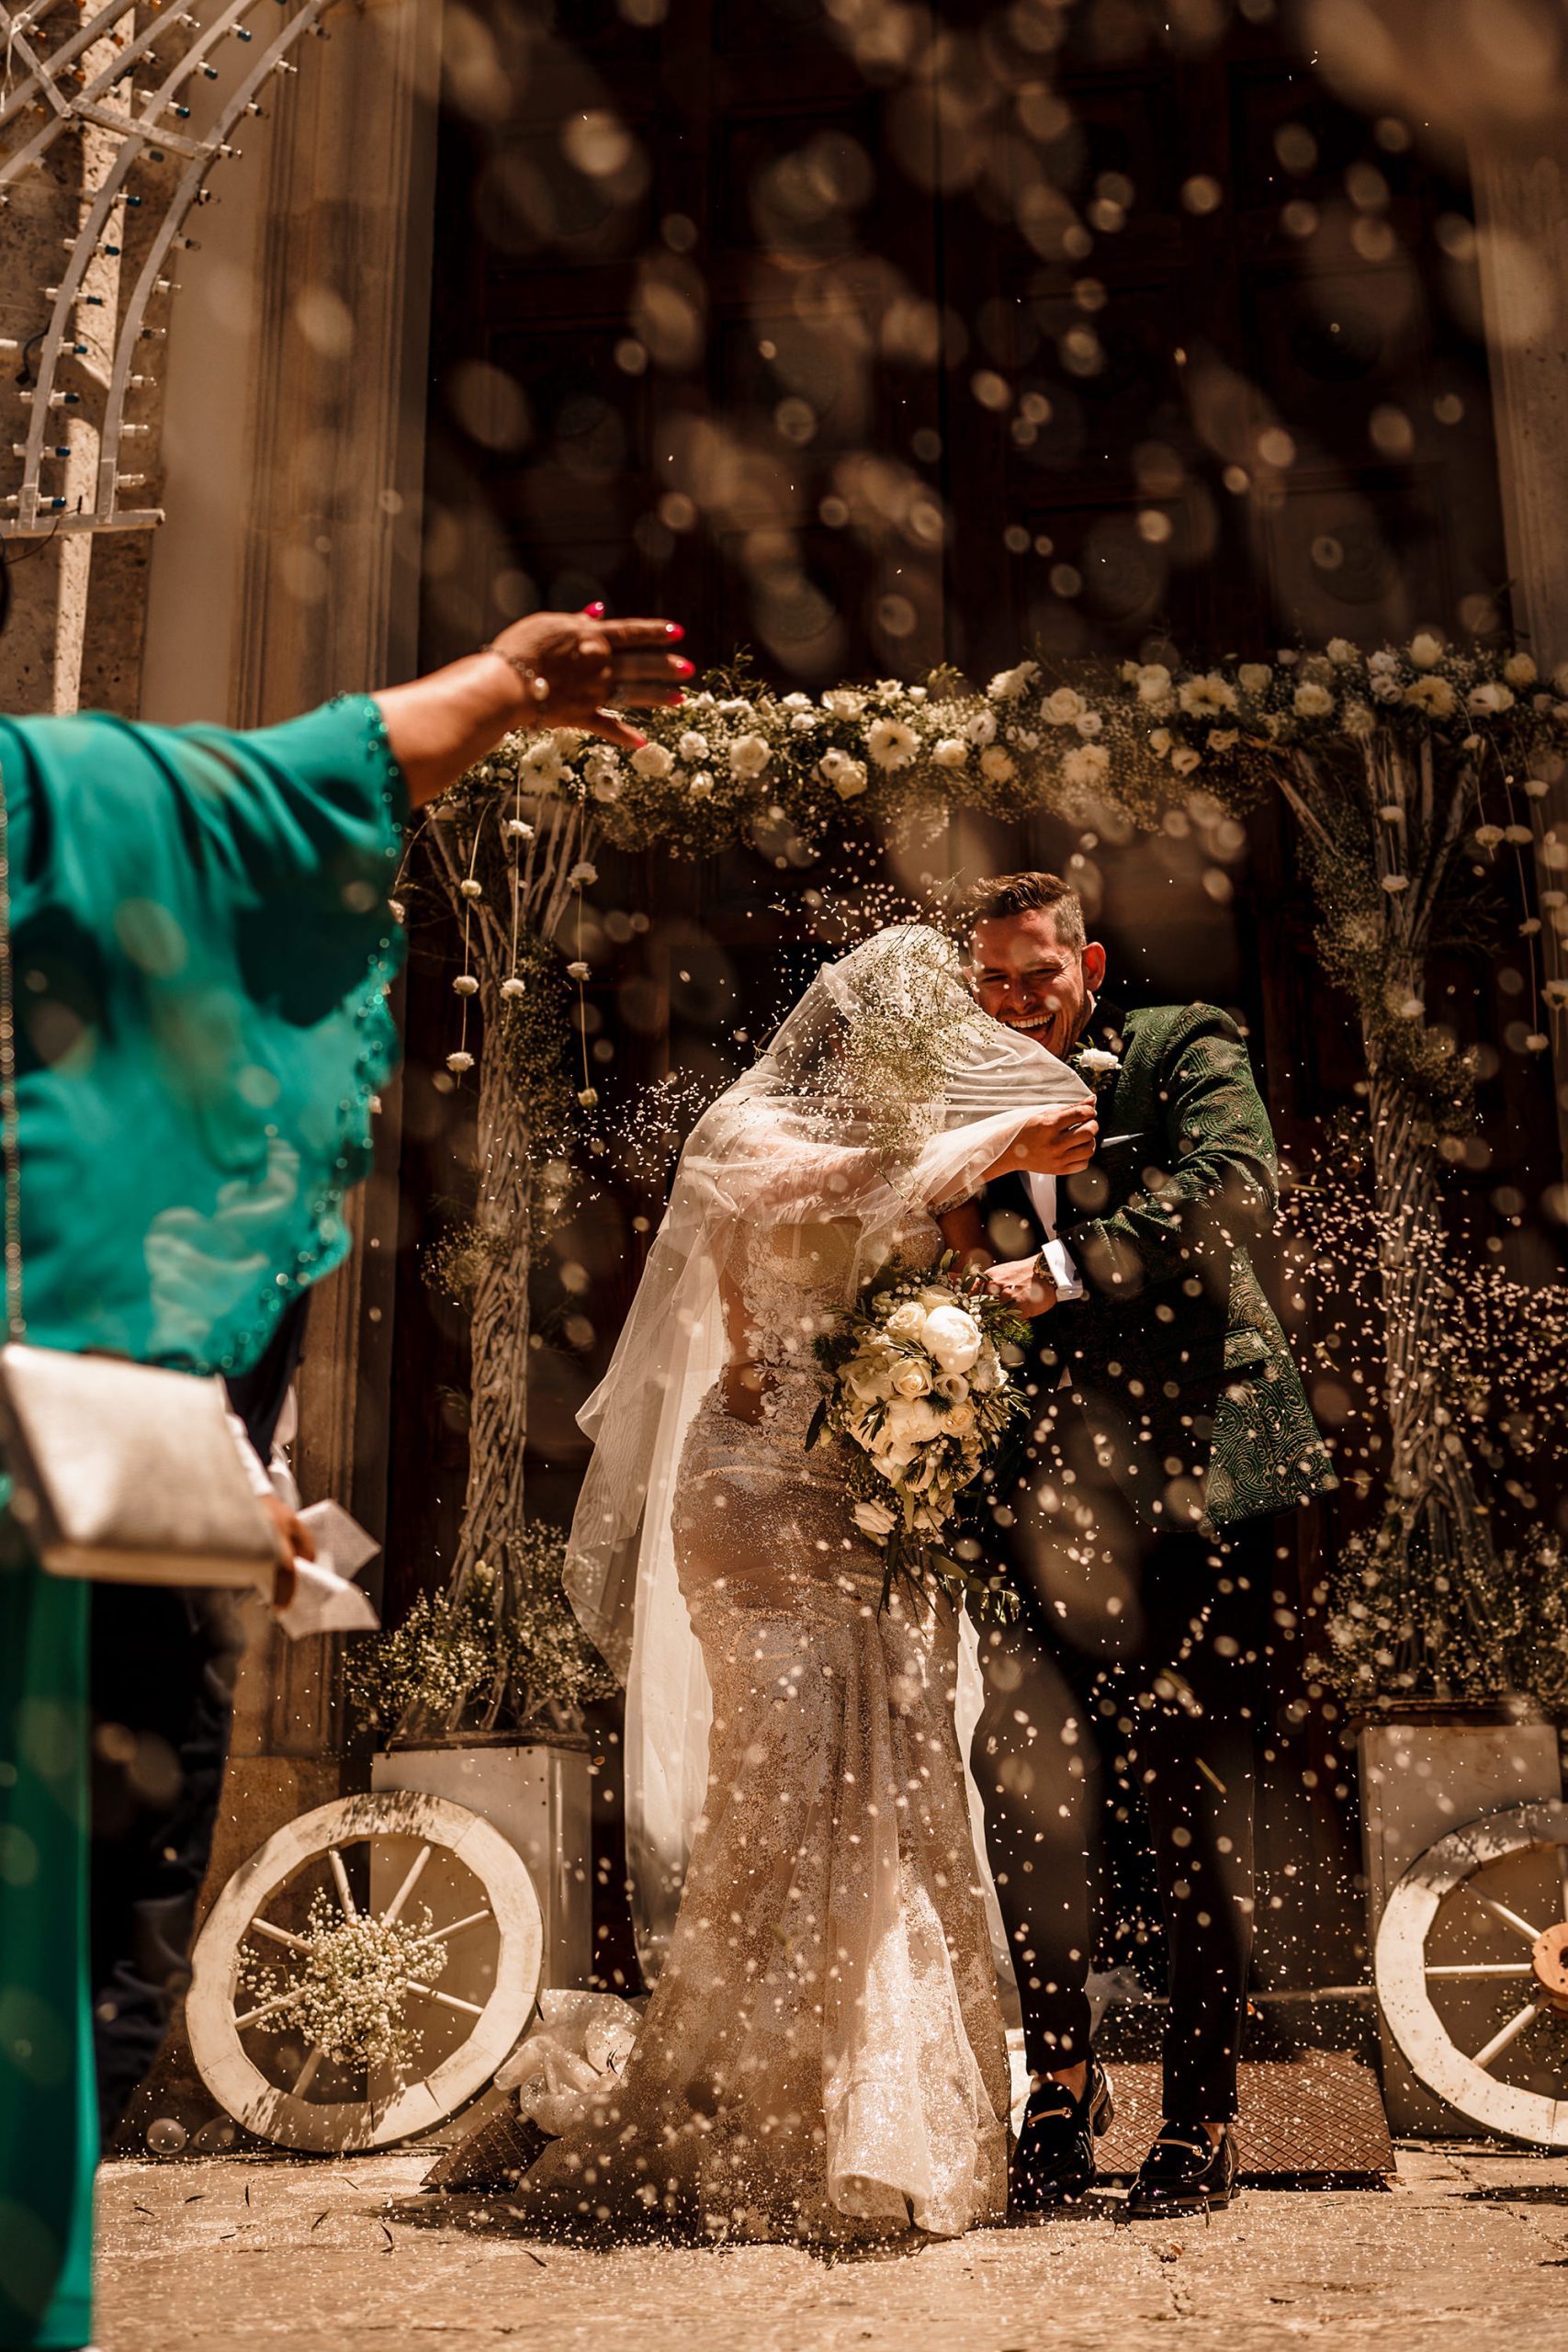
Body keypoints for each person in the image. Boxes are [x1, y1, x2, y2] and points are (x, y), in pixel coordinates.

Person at [0, 577, 690, 2352]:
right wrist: (510, 677)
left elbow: (326, 764)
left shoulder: (77, 796)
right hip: (77, 1494)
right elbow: (334, 767)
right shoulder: (94, 797)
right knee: (80, 1959)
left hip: (100, 1502)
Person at [477, 923, 1098, 2243]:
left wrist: (1009, 1304)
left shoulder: (917, 1164)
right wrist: (990, 1145)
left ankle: (877, 2107)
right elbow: (800, 1190)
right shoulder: (747, 1129)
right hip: (754, 1489)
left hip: (876, 1494)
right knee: (785, 1779)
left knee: (898, 1779)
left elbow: (948, 1276)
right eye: (923, 1030)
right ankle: (748, 2110)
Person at [948, 870, 1336, 2220]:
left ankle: (1201, 2115)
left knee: (1193, 1798)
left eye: (1036, 975)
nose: (1014, 1000)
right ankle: (1059, 2087)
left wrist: (1055, 1274)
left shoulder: (1184, 1049)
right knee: (1031, 1793)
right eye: (991, 981)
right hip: (1038, 1505)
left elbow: (1233, 1191)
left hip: (1199, 1486)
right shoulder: (963, 1108)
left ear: (1088, 963)